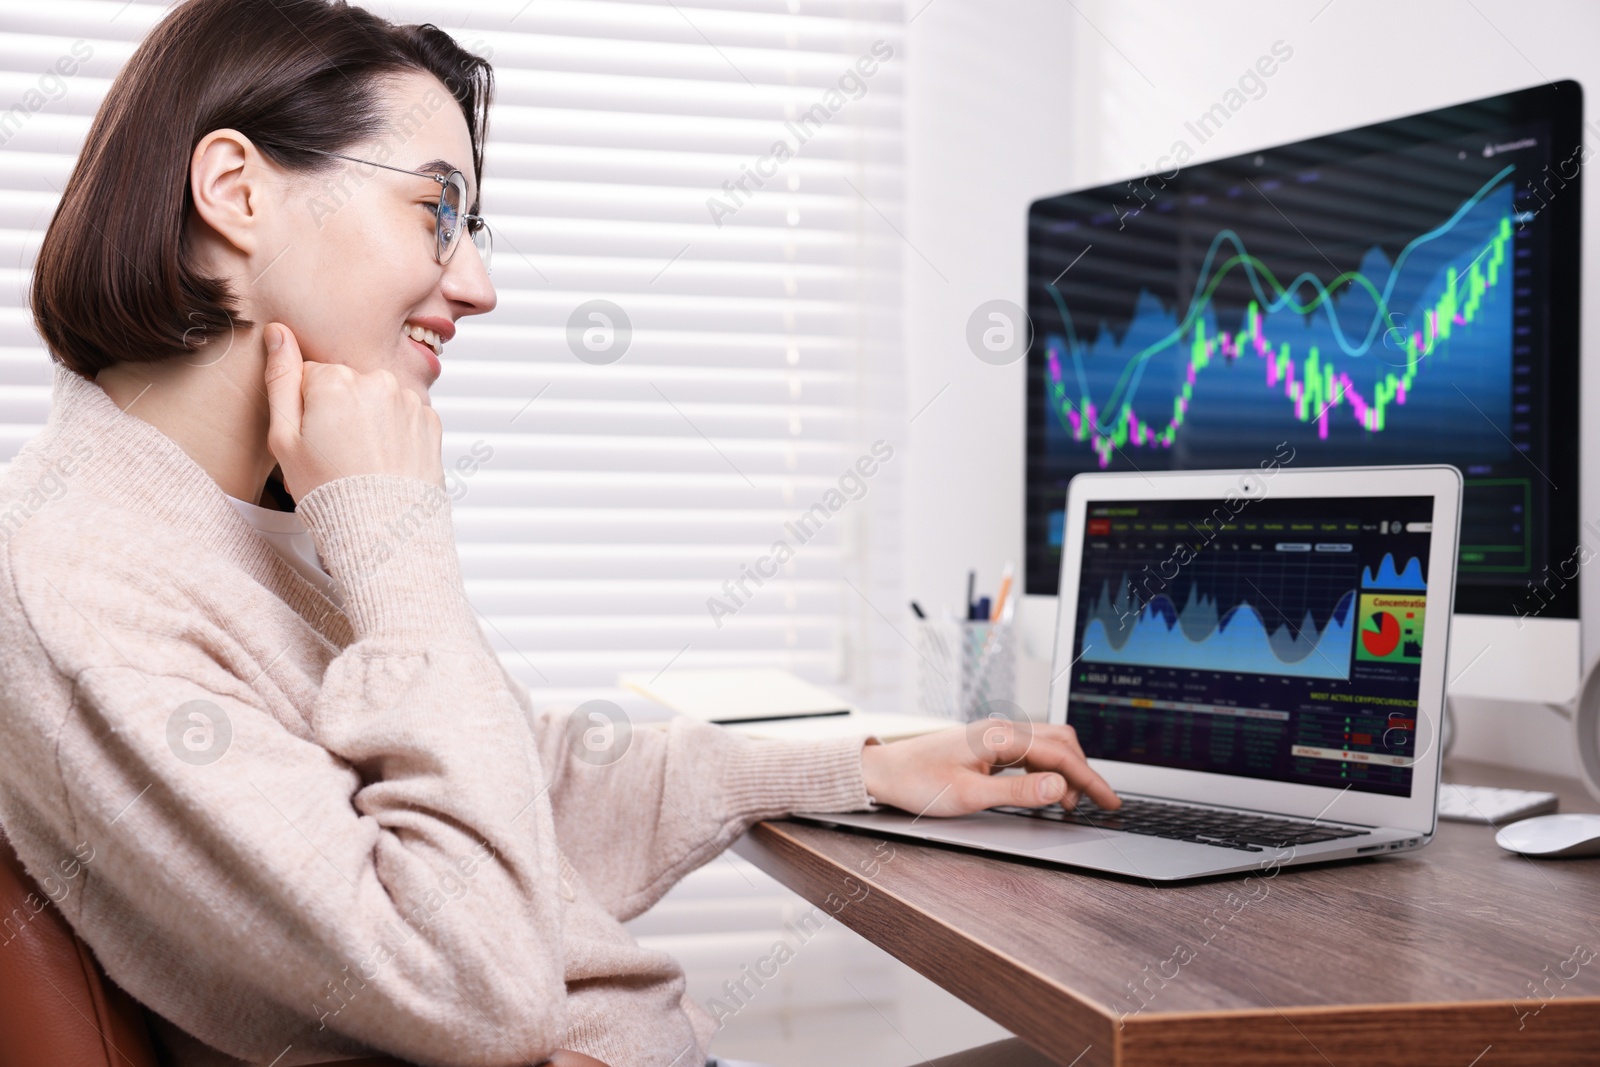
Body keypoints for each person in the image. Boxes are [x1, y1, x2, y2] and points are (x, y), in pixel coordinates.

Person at [0, 1, 1118, 1065]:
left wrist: (860, 765)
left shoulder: (218, 520)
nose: (477, 285)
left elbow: (516, 789)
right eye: (436, 210)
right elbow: (473, 983)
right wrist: (394, 534)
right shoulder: (90, 580)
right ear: (237, 190)